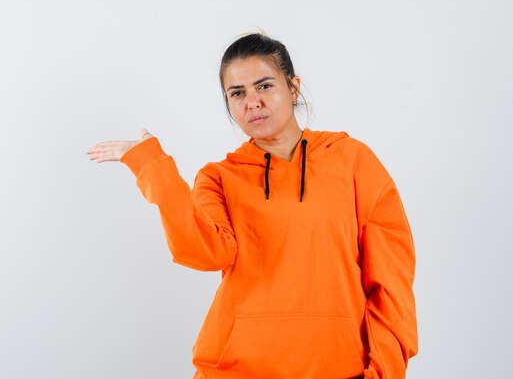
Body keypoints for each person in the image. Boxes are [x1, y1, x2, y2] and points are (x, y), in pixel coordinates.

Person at [87, 32, 418, 379]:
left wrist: (385, 371)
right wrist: (155, 170)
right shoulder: (219, 177)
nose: (252, 102)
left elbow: (391, 280)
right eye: (237, 93)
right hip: (234, 370)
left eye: (264, 86)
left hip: (339, 368)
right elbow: (205, 253)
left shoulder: (352, 161)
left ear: (293, 88)